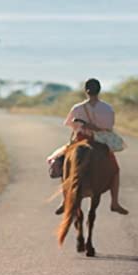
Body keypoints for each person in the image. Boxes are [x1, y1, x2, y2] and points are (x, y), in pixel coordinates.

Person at [53, 78, 128, 215]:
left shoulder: (77, 108)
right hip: (100, 143)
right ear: (99, 90)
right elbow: (109, 127)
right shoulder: (107, 108)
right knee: (115, 169)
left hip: (81, 140)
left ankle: (65, 200)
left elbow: (72, 125)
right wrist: (97, 128)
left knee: (64, 164)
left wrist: (85, 127)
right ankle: (115, 202)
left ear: (85, 91)